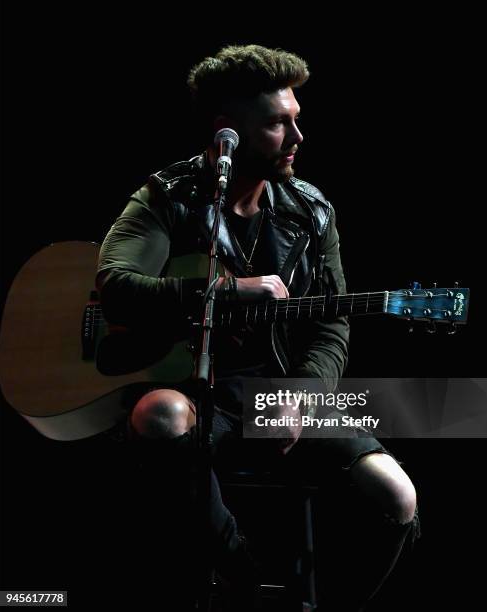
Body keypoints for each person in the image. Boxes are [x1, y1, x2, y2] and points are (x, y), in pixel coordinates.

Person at [96, 45, 420, 611]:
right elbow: (116, 285)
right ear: (229, 134)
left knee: (395, 494)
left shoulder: (311, 210)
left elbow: (331, 320)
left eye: (296, 119)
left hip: (273, 391)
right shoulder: (168, 196)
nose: (298, 137)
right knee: (160, 414)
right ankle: (246, 580)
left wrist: (304, 393)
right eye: (278, 123)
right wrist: (226, 291)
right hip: (191, 390)